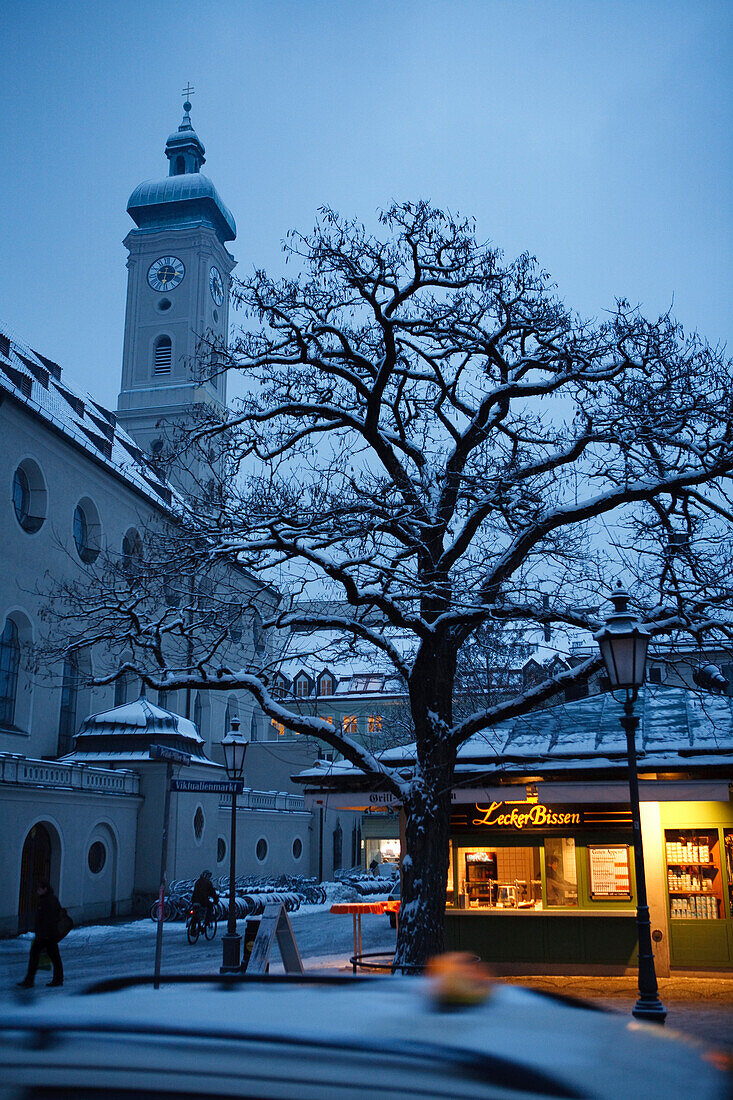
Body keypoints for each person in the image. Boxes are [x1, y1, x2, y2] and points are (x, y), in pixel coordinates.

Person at [17, 880, 63, 988]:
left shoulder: (48, 901)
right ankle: (57, 979)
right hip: (48, 934)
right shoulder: (48, 899)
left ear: (45, 889)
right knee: (54, 957)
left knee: (36, 955)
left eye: (39, 889)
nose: (37, 891)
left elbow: (49, 919)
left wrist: (44, 934)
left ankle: (30, 980)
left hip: (46, 935)